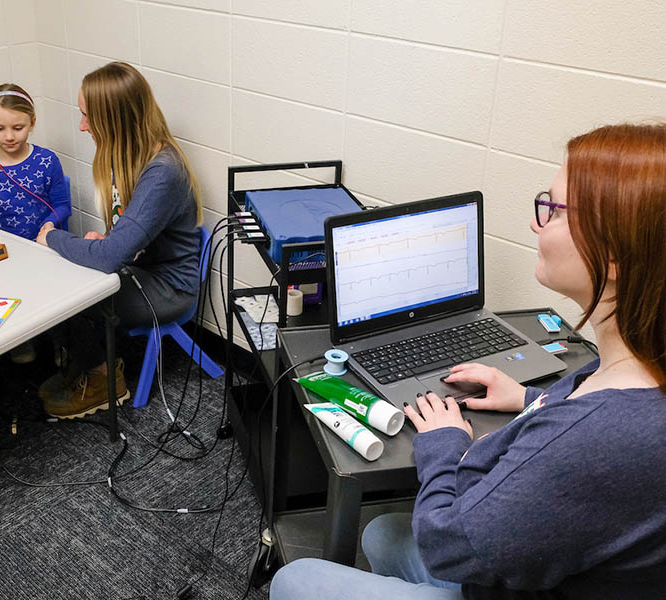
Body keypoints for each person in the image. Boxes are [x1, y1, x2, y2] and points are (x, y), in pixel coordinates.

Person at [270, 123, 666, 599]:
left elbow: (446, 543)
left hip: (488, 568)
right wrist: (527, 397)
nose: (537, 224)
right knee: (380, 534)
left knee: (296, 579)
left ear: (617, 253)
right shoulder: (639, 364)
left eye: (555, 210)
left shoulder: (593, 441)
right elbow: (593, 427)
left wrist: (443, 444)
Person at [36, 62, 203, 419]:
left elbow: (110, 257)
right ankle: (89, 363)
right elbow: (124, 237)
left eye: (87, 116)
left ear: (114, 119)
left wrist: (53, 238)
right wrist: (110, 238)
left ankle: (103, 379)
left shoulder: (163, 172)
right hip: (140, 267)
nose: (82, 125)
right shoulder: (126, 154)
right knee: (61, 276)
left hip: (168, 288)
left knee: (65, 295)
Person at [0, 83, 71, 245]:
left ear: (32, 122)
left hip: (43, 245)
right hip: (5, 248)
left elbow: (62, 206)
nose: (9, 136)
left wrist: (50, 223)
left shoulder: (47, 160)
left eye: (18, 128)